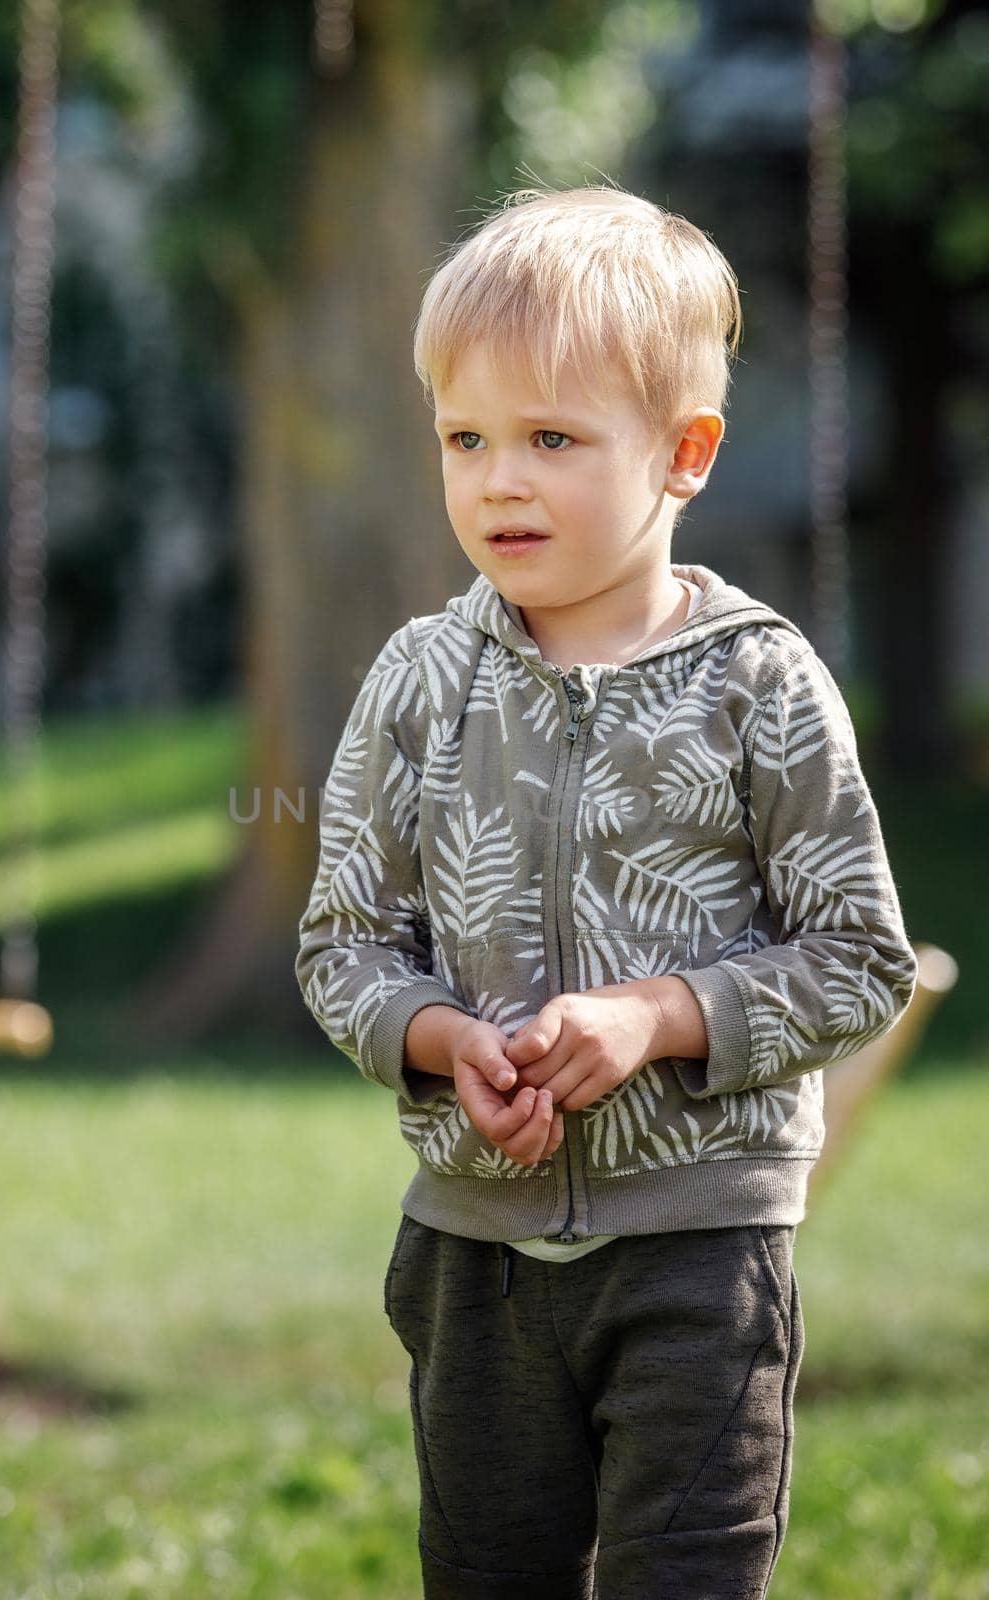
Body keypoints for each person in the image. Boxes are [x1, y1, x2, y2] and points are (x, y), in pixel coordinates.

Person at [295, 184, 919, 1600]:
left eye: (553, 441)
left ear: (684, 453)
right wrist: (446, 1046)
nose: (499, 481)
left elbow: (860, 960)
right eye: (467, 440)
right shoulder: (418, 683)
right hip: (477, 1256)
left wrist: (659, 1015)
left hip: (701, 1254)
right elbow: (346, 945)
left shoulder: (762, 684)